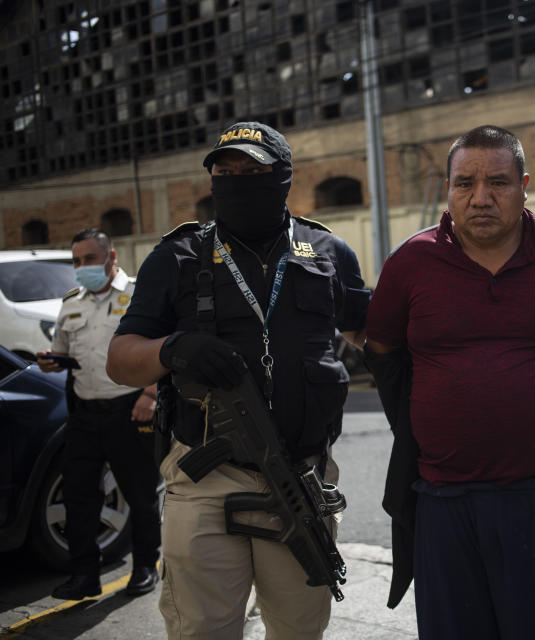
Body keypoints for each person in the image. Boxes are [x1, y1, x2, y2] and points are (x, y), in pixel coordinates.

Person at [364, 125, 535, 640]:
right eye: (464, 183)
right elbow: (385, 361)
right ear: (448, 189)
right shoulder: (409, 265)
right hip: (445, 502)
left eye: (498, 182)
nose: (481, 198)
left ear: (524, 185)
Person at [105, 121, 369, 639]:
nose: (236, 181)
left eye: (252, 171)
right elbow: (120, 360)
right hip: (207, 476)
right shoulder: (178, 256)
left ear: (284, 178)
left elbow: (372, 335)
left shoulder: (328, 252)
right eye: (225, 172)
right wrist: (173, 348)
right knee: (202, 629)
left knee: (299, 628)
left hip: (301, 475)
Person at [37, 228, 161, 600]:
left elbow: (159, 348)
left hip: (130, 408)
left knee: (139, 494)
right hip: (84, 412)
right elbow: (63, 353)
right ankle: (85, 576)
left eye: (89, 259)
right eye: (76, 261)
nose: (81, 268)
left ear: (111, 258)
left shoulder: (139, 295)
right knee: (78, 496)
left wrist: (150, 394)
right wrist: (50, 363)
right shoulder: (71, 302)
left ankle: (144, 567)